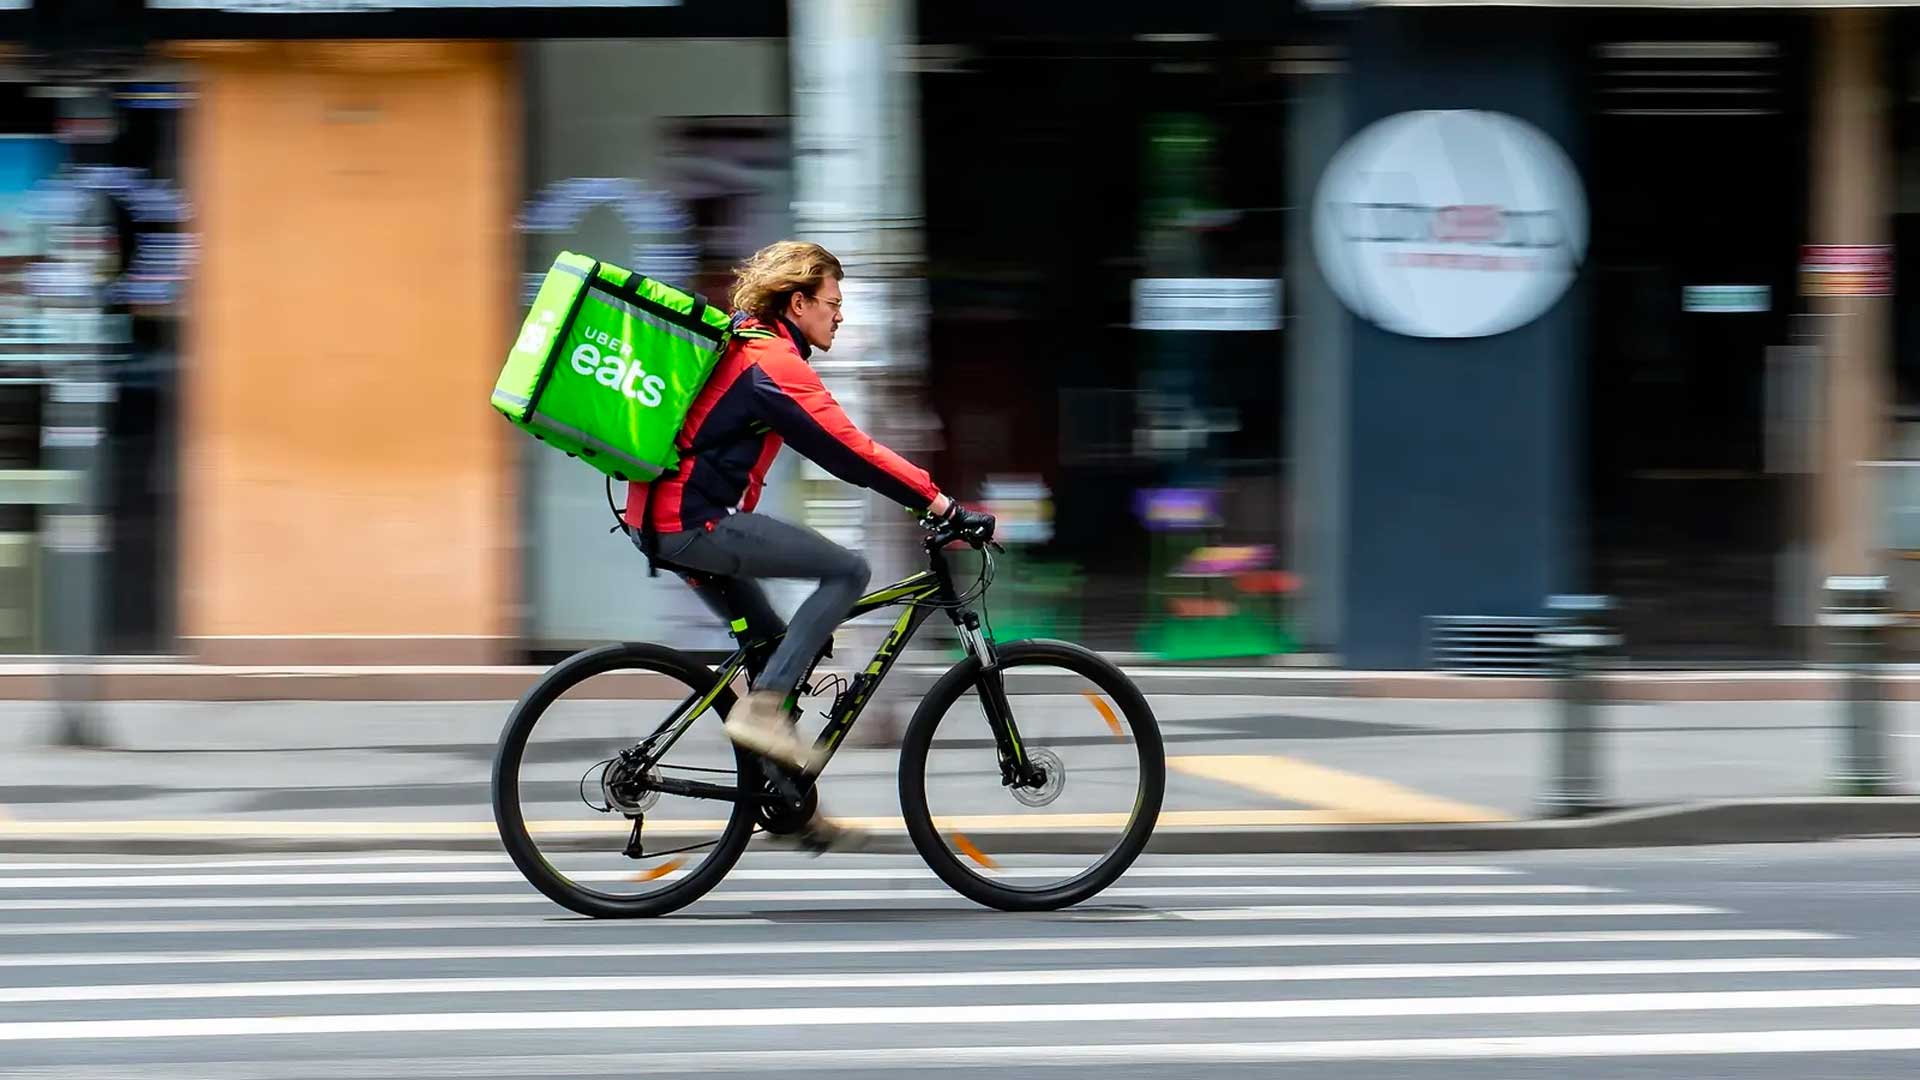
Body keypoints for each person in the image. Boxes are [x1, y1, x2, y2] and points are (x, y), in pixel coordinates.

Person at [625, 240, 990, 846]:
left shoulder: (749, 346)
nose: (839, 314)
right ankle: (764, 709)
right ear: (797, 303)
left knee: (773, 645)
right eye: (831, 302)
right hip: (695, 522)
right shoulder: (774, 365)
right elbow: (852, 451)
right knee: (847, 571)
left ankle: (788, 802)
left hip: (663, 521)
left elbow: (833, 449)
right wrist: (940, 502)